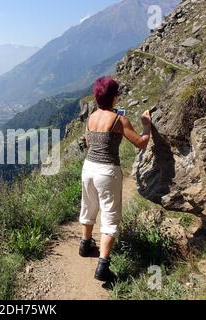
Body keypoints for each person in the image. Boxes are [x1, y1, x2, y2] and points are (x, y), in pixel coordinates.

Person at [78, 76, 152, 283]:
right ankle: (103, 265)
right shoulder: (120, 120)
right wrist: (146, 126)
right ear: (113, 97)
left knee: (89, 205)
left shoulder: (91, 117)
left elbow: (87, 140)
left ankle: (85, 245)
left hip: (88, 167)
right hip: (107, 171)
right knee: (110, 215)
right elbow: (140, 143)